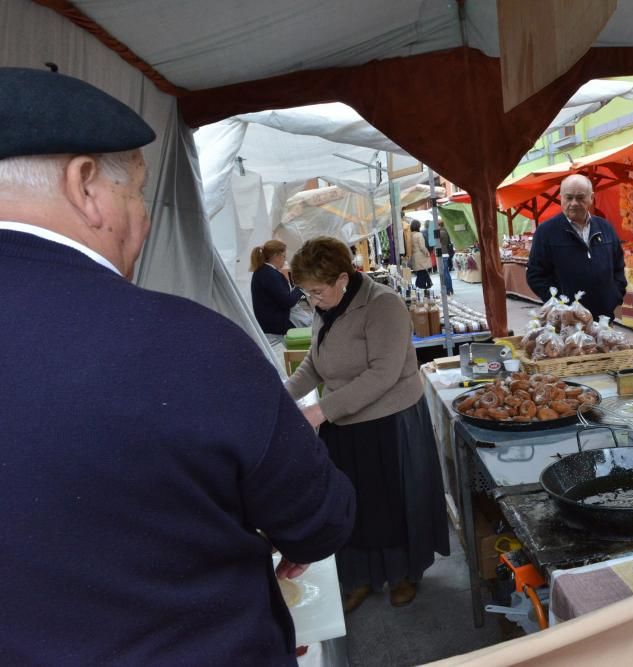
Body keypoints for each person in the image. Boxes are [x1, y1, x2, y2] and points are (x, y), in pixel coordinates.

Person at [0, 67, 355, 664]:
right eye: (136, 192)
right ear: (85, 186)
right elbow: (318, 519)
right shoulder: (187, 344)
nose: (141, 218)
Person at [284, 237, 449, 613]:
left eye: (317, 291)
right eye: (306, 292)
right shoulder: (325, 306)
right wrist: (283, 397)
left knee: (392, 503)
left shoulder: (383, 304)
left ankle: (404, 574)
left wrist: (319, 411)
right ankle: (360, 578)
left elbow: (383, 374)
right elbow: (315, 361)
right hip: (344, 421)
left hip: (390, 421)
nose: (312, 300)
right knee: (351, 504)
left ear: (343, 278)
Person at [526, 173, 627, 319]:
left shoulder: (605, 228)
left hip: (603, 318)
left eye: (580, 197)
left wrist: (614, 296)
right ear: (561, 198)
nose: (574, 203)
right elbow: (535, 275)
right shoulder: (546, 232)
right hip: (567, 321)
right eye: (568, 197)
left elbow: (619, 266)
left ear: (591, 198)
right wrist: (560, 304)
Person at [250, 239, 304, 344]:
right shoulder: (270, 275)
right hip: (277, 327)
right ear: (276, 256)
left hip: (269, 325)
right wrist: (300, 288)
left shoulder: (261, 272)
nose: (285, 260)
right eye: (284, 256)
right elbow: (287, 302)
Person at [408, 219, 433, 289]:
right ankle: (421, 287)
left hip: (414, 256)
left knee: (420, 272)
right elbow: (422, 247)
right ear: (418, 226)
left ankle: (425, 285)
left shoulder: (410, 235)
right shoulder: (419, 235)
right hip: (421, 256)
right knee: (422, 272)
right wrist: (427, 253)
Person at [438, 225, 454, 295]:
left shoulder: (441, 233)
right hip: (446, 253)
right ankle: (450, 289)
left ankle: (448, 289)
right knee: (446, 272)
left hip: (442, 253)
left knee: (445, 272)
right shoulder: (445, 231)